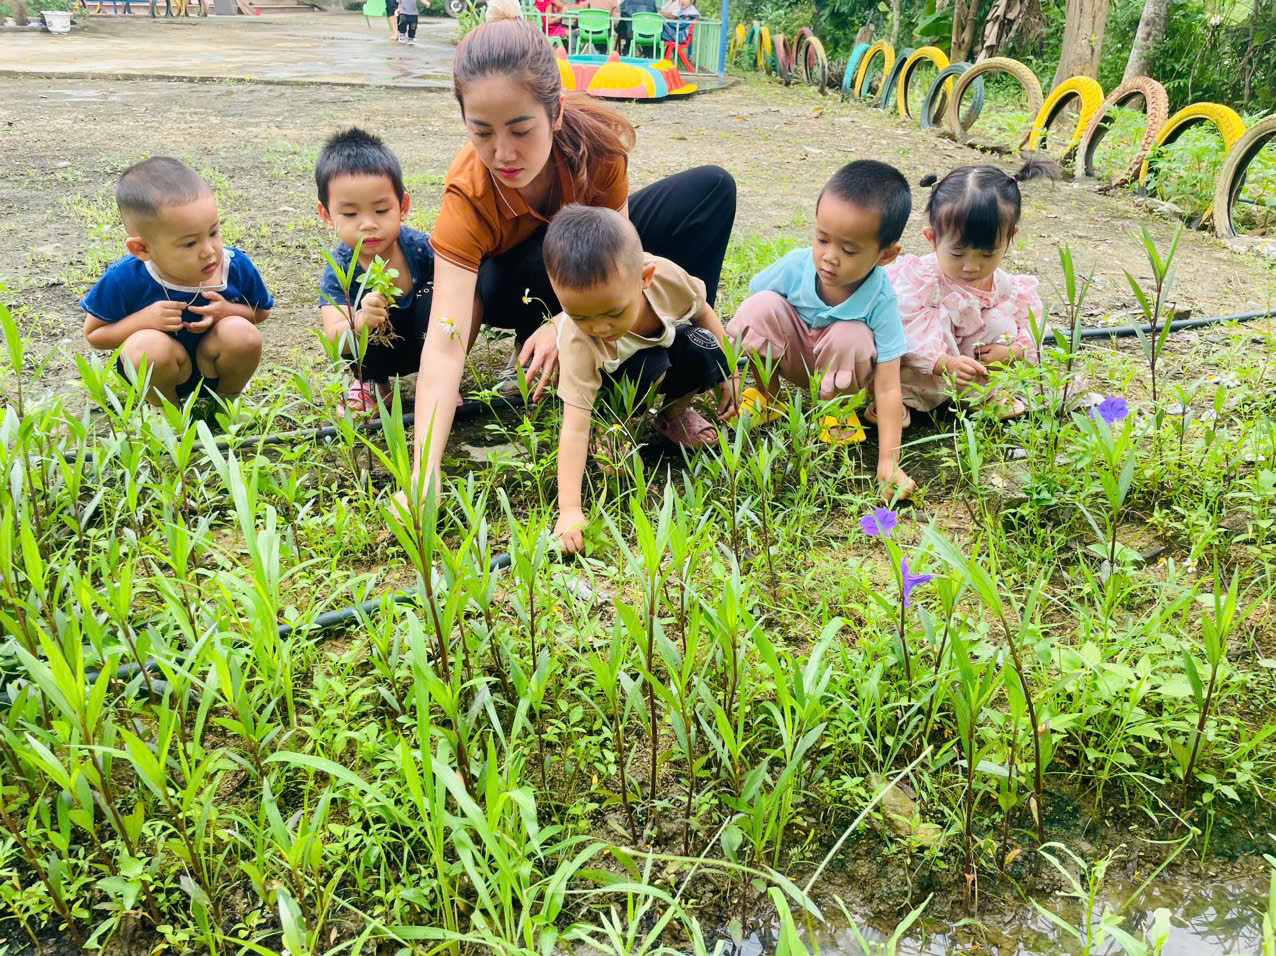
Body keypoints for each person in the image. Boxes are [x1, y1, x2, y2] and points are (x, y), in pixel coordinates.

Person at [400, 10, 735, 506]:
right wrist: (421, 478)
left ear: (554, 114)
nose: (503, 152)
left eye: (520, 129)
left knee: (710, 190)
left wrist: (562, 322)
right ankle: (573, 377)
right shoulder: (467, 193)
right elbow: (445, 344)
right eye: (482, 132)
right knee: (542, 249)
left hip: (586, 267)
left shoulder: (597, 149)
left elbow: (620, 258)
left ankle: (676, 360)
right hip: (511, 284)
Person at [545, 205, 735, 552]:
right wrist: (569, 509)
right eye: (579, 315)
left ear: (644, 278)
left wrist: (730, 374)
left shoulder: (666, 278)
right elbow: (573, 426)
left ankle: (674, 416)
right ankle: (612, 430)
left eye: (613, 312)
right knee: (651, 366)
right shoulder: (578, 340)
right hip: (609, 391)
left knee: (700, 344)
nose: (600, 328)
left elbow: (703, 312)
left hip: (658, 360)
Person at [727, 160, 914, 501]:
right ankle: (769, 399)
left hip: (843, 372)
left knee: (851, 335)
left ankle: (837, 415)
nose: (829, 257)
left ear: (886, 254)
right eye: (822, 239)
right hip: (797, 358)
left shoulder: (880, 298)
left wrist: (889, 461)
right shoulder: (797, 266)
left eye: (848, 250)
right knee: (760, 307)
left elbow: (888, 387)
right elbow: (757, 305)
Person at [81, 157, 271, 407]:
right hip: (158, 373)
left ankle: (228, 402)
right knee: (146, 346)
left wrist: (227, 311)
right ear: (142, 248)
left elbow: (261, 312)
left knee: (242, 333)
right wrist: (143, 321)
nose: (208, 251)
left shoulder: (233, 266)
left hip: (214, 367)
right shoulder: (125, 278)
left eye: (213, 232)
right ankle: (166, 412)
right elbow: (94, 335)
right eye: (190, 243)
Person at [886, 160, 1057, 418]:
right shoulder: (923, 279)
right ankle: (901, 400)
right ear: (932, 238)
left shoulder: (1006, 286)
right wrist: (942, 363)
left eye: (988, 254)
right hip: (923, 369)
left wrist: (1015, 350)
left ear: (1010, 236)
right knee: (929, 325)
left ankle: (982, 396)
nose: (971, 266)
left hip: (965, 370)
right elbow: (906, 328)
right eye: (957, 253)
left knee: (1003, 322)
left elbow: (1031, 322)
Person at [316, 128, 435, 415]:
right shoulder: (340, 269)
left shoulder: (422, 250)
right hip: (374, 360)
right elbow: (334, 338)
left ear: (402, 206)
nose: (368, 224)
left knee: (437, 293)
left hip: (427, 350)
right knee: (351, 322)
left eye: (381, 210)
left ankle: (436, 378)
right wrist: (359, 322)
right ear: (327, 216)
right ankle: (371, 382)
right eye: (351, 214)